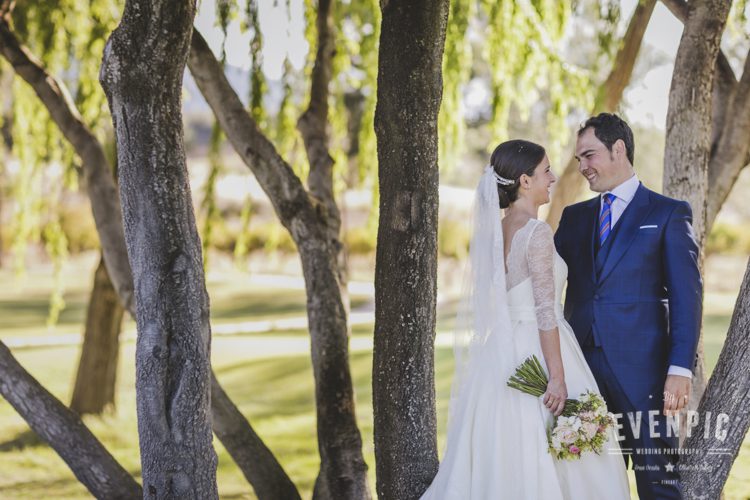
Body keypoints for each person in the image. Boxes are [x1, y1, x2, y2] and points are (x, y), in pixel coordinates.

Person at [420, 139, 629, 499]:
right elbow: (545, 312)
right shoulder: (536, 233)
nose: (552, 177)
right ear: (524, 181)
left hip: (500, 355)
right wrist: (558, 378)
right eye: (545, 171)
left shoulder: (494, 232)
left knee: (503, 449)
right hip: (539, 348)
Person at [554, 113, 702, 499]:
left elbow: (688, 296)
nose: (583, 167)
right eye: (578, 160)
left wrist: (680, 368)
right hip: (582, 370)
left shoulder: (668, 213)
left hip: (646, 375)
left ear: (618, 148)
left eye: (589, 155)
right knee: (592, 481)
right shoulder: (573, 218)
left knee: (658, 483)